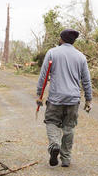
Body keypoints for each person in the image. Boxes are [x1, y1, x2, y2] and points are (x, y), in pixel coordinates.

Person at [36, 28, 92, 167]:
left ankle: (54, 145)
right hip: (73, 99)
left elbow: (43, 75)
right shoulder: (81, 57)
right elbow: (86, 80)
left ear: (61, 39)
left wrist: (39, 94)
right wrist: (89, 99)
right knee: (69, 127)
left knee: (51, 121)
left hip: (56, 98)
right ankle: (66, 159)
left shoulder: (52, 53)